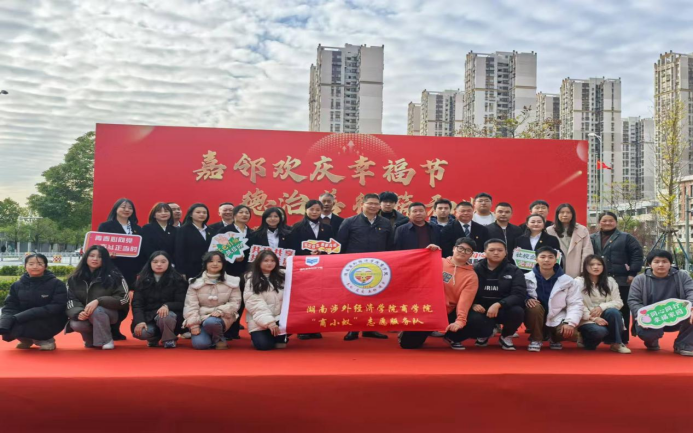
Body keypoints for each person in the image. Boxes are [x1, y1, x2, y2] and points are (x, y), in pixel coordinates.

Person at [399, 238, 479, 350]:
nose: (463, 252)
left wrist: (460, 321)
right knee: (408, 344)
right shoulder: (437, 261)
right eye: (460, 248)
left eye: (468, 250)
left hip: (446, 313)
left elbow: (464, 301)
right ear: (454, 248)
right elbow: (415, 267)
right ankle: (421, 329)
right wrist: (427, 253)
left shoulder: (471, 276)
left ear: (471, 254)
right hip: (425, 309)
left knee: (478, 321)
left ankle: (451, 337)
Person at [337, 193, 392, 341]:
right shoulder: (350, 222)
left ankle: (370, 328)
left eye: (376, 204)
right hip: (355, 268)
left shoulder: (385, 223)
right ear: (363, 205)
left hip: (378, 267)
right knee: (354, 298)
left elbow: (390, 245)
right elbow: (340, 245)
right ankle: (353, 329)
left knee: (375, 297)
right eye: (370, 203)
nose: (373, 206)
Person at [590, 211, 643, 344]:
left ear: (616, 222)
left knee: (622, 308)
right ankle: (602, 335)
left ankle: (622, 338)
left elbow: (637, 255)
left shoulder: (626, 237)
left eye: (611, 221)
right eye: (604, 221)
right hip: (599, 278)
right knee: (599, 306)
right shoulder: (592, 238)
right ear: (599, 223)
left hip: (621, 279)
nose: (607, 223)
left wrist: (632, 273)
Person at [628, 249, 693, 356]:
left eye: (664, 261)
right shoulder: (640, 279)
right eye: (656, 262)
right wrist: (643, 315)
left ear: (670, 263)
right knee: (648, 333)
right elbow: (633, 300)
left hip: (676, 314)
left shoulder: (682, 276)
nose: (661, 265)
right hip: (651, 317)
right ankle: (651, 341)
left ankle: (683, 345)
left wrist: (691, 307)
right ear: (650, 264)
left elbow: (691, 292)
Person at [466, 239, 527, 350]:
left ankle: (506, 336)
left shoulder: (514, 270)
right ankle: (484, 334)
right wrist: (473, 304)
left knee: (517, 311)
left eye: (500, 250)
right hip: (481, 308)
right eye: (492, 250)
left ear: (506, 252)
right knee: (473, 318)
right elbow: (465, 290)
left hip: (503, 308)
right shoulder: (474, 269)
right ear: (485, 252)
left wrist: (499, 304)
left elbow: (519, 294)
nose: (496, 253)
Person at [65, 245, 129, 350]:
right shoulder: (74, 279)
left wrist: (99, 301)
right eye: (92, 256)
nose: (95, 259)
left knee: (97, 310)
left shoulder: (115, 276)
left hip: (111, 313)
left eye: (100, 257)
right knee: (76, 324)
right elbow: (70, 299)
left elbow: (124, 298)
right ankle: (91, 339)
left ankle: (106, 340)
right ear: (86, 257)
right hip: (87, 314)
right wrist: (78, 312)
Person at [97, 198, 142, 340]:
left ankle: (116, 328)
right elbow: (99, 247)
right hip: (111, 269)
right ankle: (108, 328)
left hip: (130, 270)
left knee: (124, 300)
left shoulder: (137, 228)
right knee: (112, 298)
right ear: (116, 209)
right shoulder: (106, 226)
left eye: (130, 208)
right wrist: (107, 254)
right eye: (123, 207)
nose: (126, 210)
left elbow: (141, 250)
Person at [0, 253, 67, 350]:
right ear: (25, 266)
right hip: (23, 317)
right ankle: (26, 340)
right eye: (31, 264)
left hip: (49, 318)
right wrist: (5, 320)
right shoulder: (17, 285)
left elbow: (58, 306)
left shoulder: (57, 284)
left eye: (39, 264)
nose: (35, 267)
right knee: (8, 322)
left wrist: (28, 314)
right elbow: (10, 305)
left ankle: (47, 341)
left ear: (45, 266)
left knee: (29, 323)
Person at [524, 246, 582, 352]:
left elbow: (575, 303)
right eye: (543, 257)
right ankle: (536, 339)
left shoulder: (568, 281)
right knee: (534, 307)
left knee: (572, 334)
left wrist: (569, 323)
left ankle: (554, 338)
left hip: (557, 316)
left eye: (550, 257)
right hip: (536, 317)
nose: (546, 260)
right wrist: (527, 299)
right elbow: (519, 294)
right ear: (536, 259)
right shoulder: (526, 278)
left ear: (556, 260)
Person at [183, 251, 242, 350]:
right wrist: (194, 325)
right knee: (201, 345)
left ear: (223, 264)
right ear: (205, 264)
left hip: (222, 317)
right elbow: (190, 305)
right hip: (201, 318)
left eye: (219, 261)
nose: (215, 264)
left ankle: (219, 338)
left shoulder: (233, 281)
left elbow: (235, 303)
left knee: (211, 322)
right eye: (211, 261)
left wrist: (220, 311)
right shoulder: (194, 283)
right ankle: (208, 335)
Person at [132, 251, 187, 348]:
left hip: (171, 318)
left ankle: (169, 339)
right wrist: (140, 321)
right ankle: (154, 338)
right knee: (141, 333)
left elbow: (182, 302)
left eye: (163, 262)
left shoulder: (178, 280)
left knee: (166, 315)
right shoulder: (142, 280)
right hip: (149, 317)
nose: (159, 264)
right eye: (155, 262)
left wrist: (167, 306)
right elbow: (137, 304)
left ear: (169, 263)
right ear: (150, 263)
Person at [575, 255, 630, 353]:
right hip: (587, 318)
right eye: (592, 264)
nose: (596, 267)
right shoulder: (578, 282)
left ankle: (616, 343)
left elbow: (618, 302)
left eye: (599, 264)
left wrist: (601, 307)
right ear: (585, 267)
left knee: (614, 312)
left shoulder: (610, 281)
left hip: (606, 315)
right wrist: (594, 318)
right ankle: (584, 338)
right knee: (598, 333)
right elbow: (577, 305)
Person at [217, 204, 255, 339]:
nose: (244, 215)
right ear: (234, 215)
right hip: (230, 270)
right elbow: (217, 250)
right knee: (228, 300)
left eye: (247, 213)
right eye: (241, 212)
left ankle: (234, 330)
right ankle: (225, 330)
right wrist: (232, 257)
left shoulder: (253, 233)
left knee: (241, 301)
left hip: (247, 271)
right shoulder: (225, 231)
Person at [244, 250, 289, 350]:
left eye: (273, 261)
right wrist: (270, 323)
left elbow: (303, 273)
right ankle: (270, 336)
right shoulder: (252, 280)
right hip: (260, 319)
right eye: (266, 261)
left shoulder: (284, 275)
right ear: (258, 262)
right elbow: (255, 305)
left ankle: (281, 336)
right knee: (264, 346)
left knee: (279, 344)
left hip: (280, 318)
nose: (270, 263)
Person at [546, 203, 593, 278]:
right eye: (562, 212)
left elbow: (587, 251)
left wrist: (584, 270)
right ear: (557, 214)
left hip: (576, 268)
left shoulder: (582, 229)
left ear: (573, 215)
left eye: (568, 212)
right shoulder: (549, 230)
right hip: (555, 269)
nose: (565, 215)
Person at [174, 203, 213, 279]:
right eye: (198, 212)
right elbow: (179, 252)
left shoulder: (211, 230)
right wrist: (181, 271)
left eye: (204, 212)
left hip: (209, 269)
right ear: (190, 214)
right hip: (191, 269)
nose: (201, 214)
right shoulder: (182, 230)